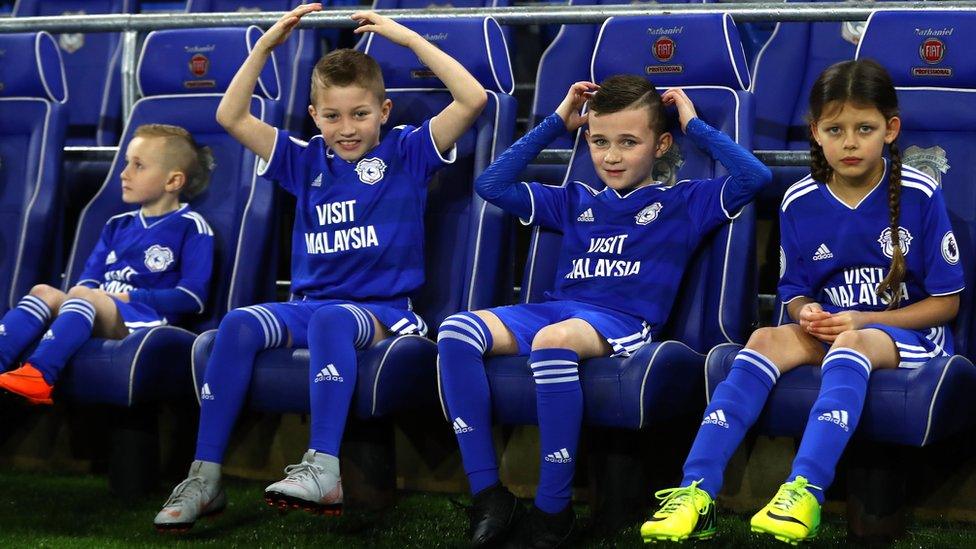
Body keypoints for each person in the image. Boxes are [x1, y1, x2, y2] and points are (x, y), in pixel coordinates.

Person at [153, 3, 487, 531]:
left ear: (385, 111)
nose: (346, 128)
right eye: (332, 116)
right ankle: (204, 476)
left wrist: (405, 38)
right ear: (314, 116)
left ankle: (324, 466)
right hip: (308, 306)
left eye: (360, 114)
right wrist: (265, 47)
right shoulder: (303, 158)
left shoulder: (407, 151)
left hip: (382, 312)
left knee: (334, 320)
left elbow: (473, 98)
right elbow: (230, 117)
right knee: (237, 324)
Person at [438, 75, 771, 547]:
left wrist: (694, 125)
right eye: (599, 141)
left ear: (661, 145)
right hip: (555, 309)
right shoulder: (576, 199)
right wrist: (557, 121)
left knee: (554, 342)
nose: (611, 156)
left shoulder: (684, 201)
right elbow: (491, 183)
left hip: (621, 320)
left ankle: (552, 513)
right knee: (456, 332)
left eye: (628, 142)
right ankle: (489, 493)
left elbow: (754, 177)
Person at [640, 59, 964, 545]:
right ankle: (696, 491)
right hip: (836, 332)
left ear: (890, 130)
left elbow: (946, 304)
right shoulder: (797, 199)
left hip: (909, 337)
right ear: (815, 132)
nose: (850, 142)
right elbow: (793, 289)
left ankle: (805, 490)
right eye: (835, 129)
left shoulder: (920, 193)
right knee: (765, 337)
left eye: (865, 128)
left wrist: (865, 318)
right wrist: (802, 311)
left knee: (856, 339)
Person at [0, 124, 214, 405]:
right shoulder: (116, 225)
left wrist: (125, 296)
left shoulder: (192, 227)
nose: (123, 173)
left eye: (138, 166)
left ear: (173, 181)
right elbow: (88, 279)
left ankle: (40, 375)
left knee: (81, 296)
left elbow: (192, 297)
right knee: (44, 292)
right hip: (98, 306)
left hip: (146, 319)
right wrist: (93, 295)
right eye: (126, 163)